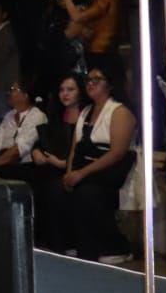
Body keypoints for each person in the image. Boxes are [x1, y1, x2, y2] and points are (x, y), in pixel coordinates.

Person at [58, 63, 138, 263]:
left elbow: (117, 152)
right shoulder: (85, 111)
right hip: (85, 165)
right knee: (57, 190)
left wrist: (81, 173)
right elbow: (75, 148)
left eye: (96, 79)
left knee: (89, 191)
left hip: (110, 169)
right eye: (88, 80)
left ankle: (116, 246)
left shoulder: (120, 111)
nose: (91, 84)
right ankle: (79, 244)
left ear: (109, 84)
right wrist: (69, 172)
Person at [31, 72, 85, 252]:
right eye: (62, 90)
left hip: (75, 168)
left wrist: (62, 164)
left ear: (80, 91)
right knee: (34, 179)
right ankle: (39, 240)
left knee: (55, 187)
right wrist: (36, 152)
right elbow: (41, 141)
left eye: (70, 89)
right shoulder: (55, 114)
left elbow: (83, 150)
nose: (65, 94)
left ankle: (64, 243)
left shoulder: (87, 114)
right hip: (50, 166)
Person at [0, 78, 47, 181]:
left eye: (13, 89)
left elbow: (18, 150)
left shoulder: (37, 116)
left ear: (25, 95)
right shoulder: (9, 115)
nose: (9, 92)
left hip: (21, 166)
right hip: (1, 162)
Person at [52, 0, 120, 76]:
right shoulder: (54, 14)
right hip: (89, 56)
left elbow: (76, 19)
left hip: (100, 56)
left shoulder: (106, 2)